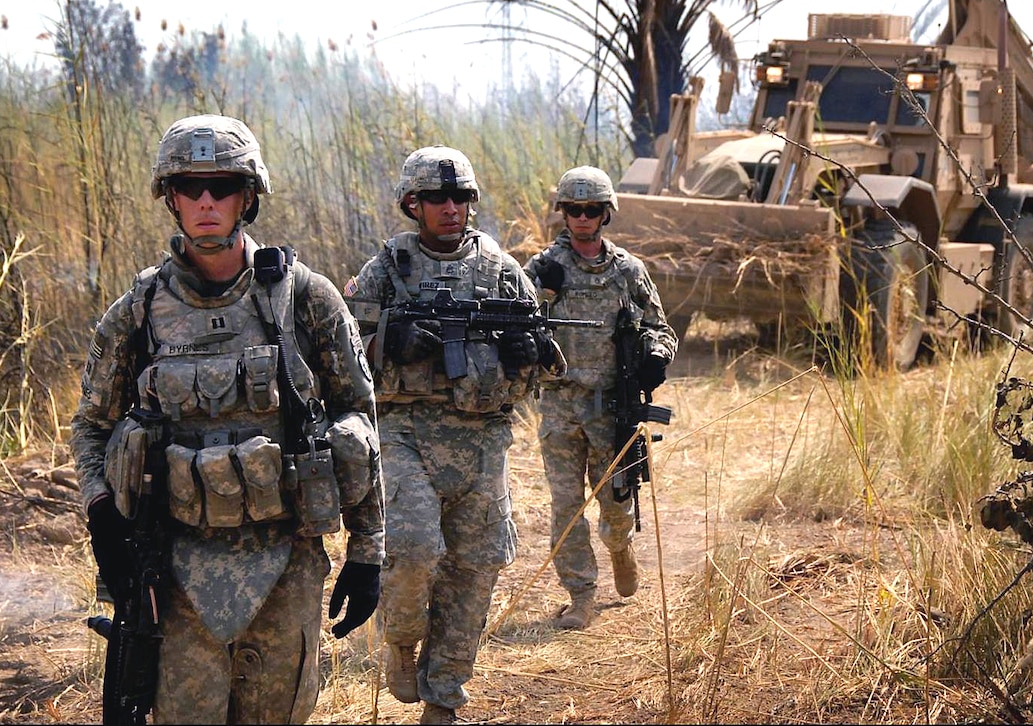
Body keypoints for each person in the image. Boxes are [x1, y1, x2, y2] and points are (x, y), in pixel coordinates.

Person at [70, 114, 385, 724]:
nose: (206, 201)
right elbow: (90, 426)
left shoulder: (305, 297)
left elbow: (357, 416)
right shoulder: (137, 311)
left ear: (248, 195)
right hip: (176, 575)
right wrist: (101, 512)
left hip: (286, 562)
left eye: (222, 185)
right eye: (190, 186)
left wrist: (368, 551)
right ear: (170, 198)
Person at [343, 145, 564, 725]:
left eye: (460, 197)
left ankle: (444, 695)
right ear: (412, 204)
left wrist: (529, 353)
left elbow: (547, 362)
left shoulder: (501, 271)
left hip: (484, 439)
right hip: (404, 433)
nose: (450, 208)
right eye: (436, 198)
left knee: (477, 566)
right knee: (413, 548)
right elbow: (341, 360)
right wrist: (391, 343)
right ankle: (402, 641)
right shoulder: (385, 270)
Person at [523, 165, 677, 631]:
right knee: (566, 508)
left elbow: (660, 327)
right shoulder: (542, 269)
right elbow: (513, 327)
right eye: (573, 210)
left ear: (606, 214)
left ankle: (621, 546)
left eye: (591, 210)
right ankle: (581, 595)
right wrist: (541, 293)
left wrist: (655, 353)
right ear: (562, 213)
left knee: (614, 502)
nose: (582, 218)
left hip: (611, 407)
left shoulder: (628, 271)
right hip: (560, 404)